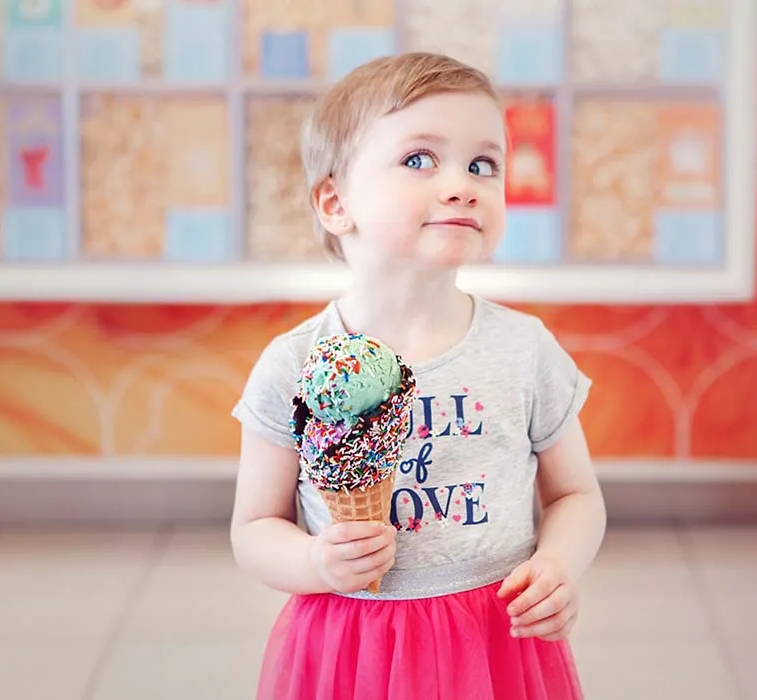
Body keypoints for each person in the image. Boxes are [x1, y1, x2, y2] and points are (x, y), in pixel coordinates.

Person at [230, 51, 606, 700]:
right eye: (419, 159)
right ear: (335, 202)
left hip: (493, 640)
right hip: (354, 643)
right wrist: (316, 561)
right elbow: (253, 529)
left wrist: (557, 565)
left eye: (482, 164)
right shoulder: (294, 363)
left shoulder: (524, 349)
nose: (462, 185)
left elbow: (577, 496)